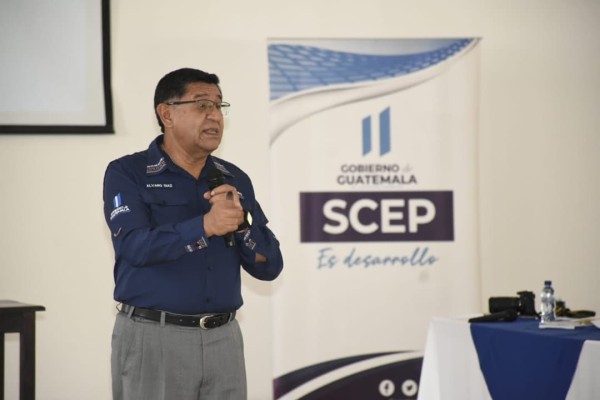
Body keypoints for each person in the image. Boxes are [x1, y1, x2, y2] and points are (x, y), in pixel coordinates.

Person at [103, 67, 284, 400]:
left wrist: (241, 224)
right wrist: (205, 225)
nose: (215, 115)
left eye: (219, 105)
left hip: (224, 340)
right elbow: (134, 247)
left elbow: (268, 266)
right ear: (167, 114)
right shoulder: (128, 172)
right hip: (154, 338)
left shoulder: (234, 179)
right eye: (202, 105)